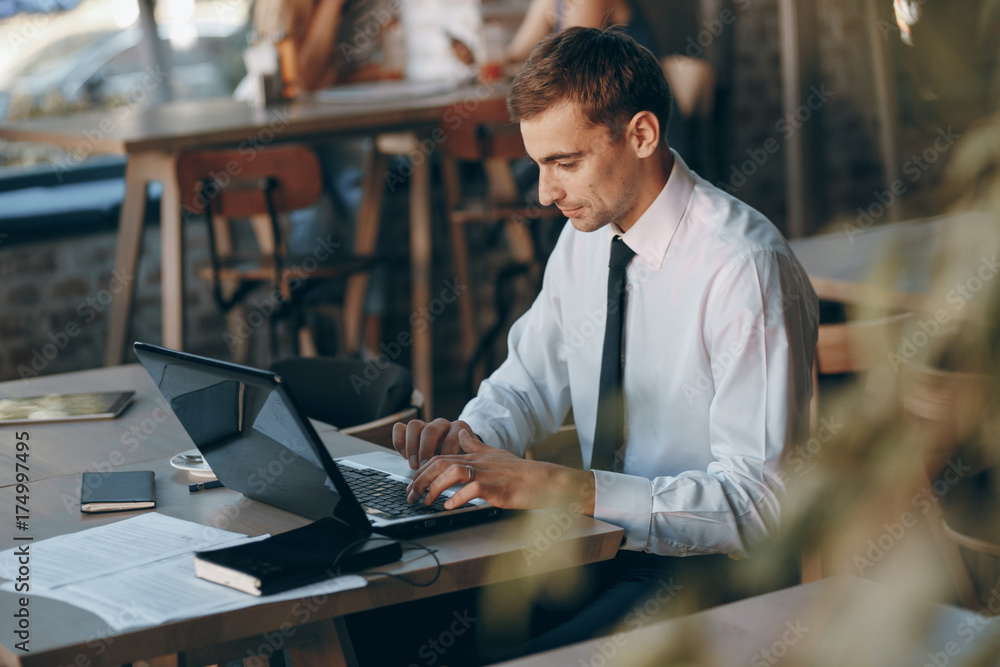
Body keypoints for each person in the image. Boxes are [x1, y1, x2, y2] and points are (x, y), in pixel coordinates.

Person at [391, 26, 819, 658]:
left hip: (708, 579)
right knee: (394, 626)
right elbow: (527, 381)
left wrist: (567, 490)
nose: (545, 193)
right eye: (538, 164)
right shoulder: (588, 233)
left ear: (641, 135)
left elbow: (758, 507)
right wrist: (472, 443)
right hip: (592, 550)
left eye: (566, 163)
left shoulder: (742, 267)